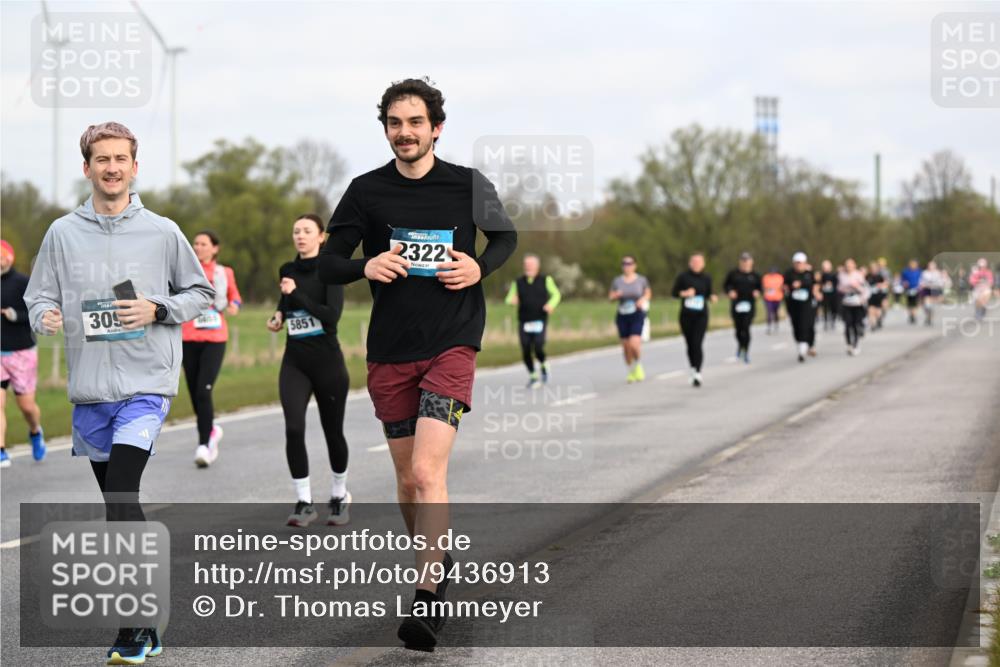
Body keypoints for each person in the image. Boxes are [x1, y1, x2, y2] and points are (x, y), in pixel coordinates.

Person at [319, 78, 517, 651]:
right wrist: (365, 266)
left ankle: (428, 593)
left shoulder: (468, 184)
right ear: (385, 129)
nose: (404, 133)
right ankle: (436, 556)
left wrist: (480, 267)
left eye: (415, 123)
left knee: (429, 473)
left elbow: (505, 238)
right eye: (394, 123)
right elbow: (328, 264)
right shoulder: (365, 191)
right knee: (408, 480)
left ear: (436, 128)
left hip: (453, 341)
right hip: (390, 350)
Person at [24, 122, 214, 665]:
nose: (112, 168)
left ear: (135, 166)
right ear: (87, 168)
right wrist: (45, 316)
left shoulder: (162, 231)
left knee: (122, 494)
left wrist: (158, 308)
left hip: (145, 384)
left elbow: (200, 291)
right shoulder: (62, 233)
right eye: (102, 159)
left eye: (120, 159)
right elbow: (39, 296)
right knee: (116, 504)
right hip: (91, 392)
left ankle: (133, 626)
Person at [267, 215, 352, 528]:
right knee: (293, 428)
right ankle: (304, 502)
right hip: (295, 362)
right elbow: (285, 302)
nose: (300, 236)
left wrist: (296, 295)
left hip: (328, 363)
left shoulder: (331, 271)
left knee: (333, 432)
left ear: (321, 237)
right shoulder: (287, 270)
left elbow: (332, 316)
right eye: (296, 231)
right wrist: (279, 316)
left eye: (307, 231)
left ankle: (339, 495)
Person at [181, 230, 243, 468]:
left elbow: (235, 296)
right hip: (188, 337)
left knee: (203, 391)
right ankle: (211, 428)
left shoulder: (224, 273)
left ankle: (204, 444)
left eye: (203, 244)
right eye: (195, 243)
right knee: (194, 391)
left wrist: (234, 305)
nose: (198, 247)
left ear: (215, 248)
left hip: (215, 338)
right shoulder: (185, 271)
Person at [1, 239, 46, 467]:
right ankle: (1, 450)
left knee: (26, 406)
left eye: (1, 256)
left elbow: (36, 314)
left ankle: (35, 431)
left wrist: (15, 315)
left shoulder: (23, 283)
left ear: (10, 258)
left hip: (22, 351)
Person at [504, 254, 561, 387]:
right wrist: (512, 301)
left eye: (531, 264)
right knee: (525, 350)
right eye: (526, 265)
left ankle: (543, 364)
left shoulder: (546, 280)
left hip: (540, 320)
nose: (528, 267)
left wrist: (551, 305)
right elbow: (508, 298)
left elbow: (556, 294)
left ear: (537, 266)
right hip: (524, 321)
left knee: (538, 346)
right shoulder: (518, 282)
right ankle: (533, 376)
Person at [673, 253, 716, 386]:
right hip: (686, 315)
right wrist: (685, 293)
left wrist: (712, 297)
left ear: (703, 264)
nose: (696, 264)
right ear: (690, 263)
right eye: (694, 262)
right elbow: (674, 293)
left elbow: (709, 293)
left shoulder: (707, 278)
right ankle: (692, 367)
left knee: (697, 343)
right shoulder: (683, 277)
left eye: (699, 262)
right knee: (690, 344)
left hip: (701, 315)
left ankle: (698, 372)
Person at [609, 255, 652, 383]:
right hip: (622, 315)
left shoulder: (641, 280)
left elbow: (648, 293)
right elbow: (610, 297)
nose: (627, 266)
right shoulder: (617, 281)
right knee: (626, 347)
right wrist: (615, 295)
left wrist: (642, 300)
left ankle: (638, 364)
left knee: (634, 344)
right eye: (624, 264)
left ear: (634, 265)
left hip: (637, 314)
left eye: (630, 264)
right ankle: (631, 370)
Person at [722, 251, 761, 364]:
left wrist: (757, 292)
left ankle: (745, 350)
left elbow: (760, 288)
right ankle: (740, 345)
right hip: (737, 304)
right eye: (743, 261)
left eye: (747, 261)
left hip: (749, 304)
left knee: (746, 327)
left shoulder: (755, 275)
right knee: (738, 329)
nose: (745, 263)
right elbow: (726, 285)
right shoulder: (733, 274)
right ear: (740, 262)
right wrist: (730, 292)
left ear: (751, 262)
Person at [784, 252, 821, 362]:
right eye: (797, 263)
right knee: (796, 325)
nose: (799, 265)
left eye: (800, 263)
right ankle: (801, 343)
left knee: (806, 324)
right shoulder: (789, 273)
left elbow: (815, 285)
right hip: (793, 304)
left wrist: (816, 293)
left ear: (805, 263)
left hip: (807, 304)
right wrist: (788, 288)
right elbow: (785, 286)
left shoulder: (809, 273)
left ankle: (804, 348)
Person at [837, 258, 869, 356]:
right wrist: (846, 287)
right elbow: (839, 288)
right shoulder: (841, 275)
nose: (849, 267)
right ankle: (849, 344)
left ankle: (856, 344)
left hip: (857, 303)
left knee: (856, 325)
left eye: (850, 265)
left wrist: (857, 287)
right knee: (847, 324)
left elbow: (865, 289)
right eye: (847, 266)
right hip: (846, 303)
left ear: (854, 266)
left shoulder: (859, 275)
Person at [918, 260, 948, 326]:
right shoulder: (925, 273)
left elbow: (943, 281)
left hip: (935, 289)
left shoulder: (938, 273)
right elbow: (921, 281)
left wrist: (943, 282)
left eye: (932, 265)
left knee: (932, 306)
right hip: (927, 289)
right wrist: (922, 285)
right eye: (930, 265)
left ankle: (930, 319)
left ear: (935, 266)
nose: (931, 267)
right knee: (926, 305)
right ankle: (927, 316)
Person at [866, 260, 889, 331]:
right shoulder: (867, 276)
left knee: (878, 312)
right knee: (870, 311)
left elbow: (886, 284)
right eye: (872, 268)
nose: (873, 270)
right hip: (870, 296)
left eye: (874, 268)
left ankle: (879, 320)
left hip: (878, 296)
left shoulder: (880, 276)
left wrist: (880, 285)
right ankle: (873, 325)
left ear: (877, 269)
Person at [761, 267, 784, 334]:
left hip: (777, 298)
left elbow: (782, 287)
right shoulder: (766, 277)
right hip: (768, 298)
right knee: (769, 312)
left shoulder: (780, 277)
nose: (772, 273)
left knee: (775, 312)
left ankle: (776, 324)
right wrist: (766, 289)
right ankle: (769, 326)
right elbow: (763, 286)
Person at [900, 259, 923, 325]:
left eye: (914, 264)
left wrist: (920, 285)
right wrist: (904, 283)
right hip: (908, 289)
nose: (913, 265)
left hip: (916, 289)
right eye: (912, 264)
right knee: (909, 303)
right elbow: (902, 280)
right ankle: (910, 315)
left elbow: (922, 279)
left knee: (915, 303)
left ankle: (914, 315)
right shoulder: (905, 271)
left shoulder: (919, 271)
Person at [818, 259, 839, 331]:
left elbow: (837, 284)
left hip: (833, 294)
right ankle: (826, 322)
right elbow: (819, 284)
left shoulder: (834, 275)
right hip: (825, 294)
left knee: (833, 308)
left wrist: (831, 284)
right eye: (824, 267)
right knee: (825, 308)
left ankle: (833, 321)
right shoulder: (821, 275)